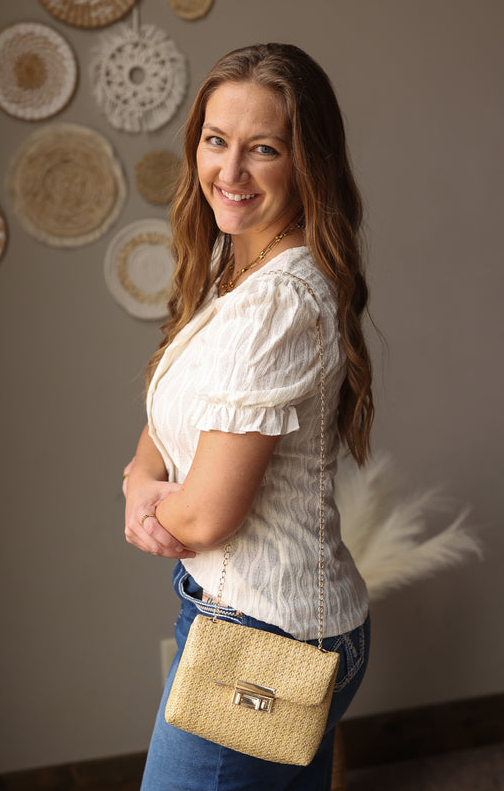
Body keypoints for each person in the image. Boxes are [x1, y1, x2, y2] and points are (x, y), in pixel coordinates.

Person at [123, 43, 373, 791]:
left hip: (264, 636)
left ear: (307, 164)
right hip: (249, 617)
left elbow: (207, 518)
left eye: (261, 149)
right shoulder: (230, 271)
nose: (228, 174)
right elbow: (172, 421)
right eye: (215, 141)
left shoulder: (278, 301)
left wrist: (160, 506)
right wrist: (140, 479)